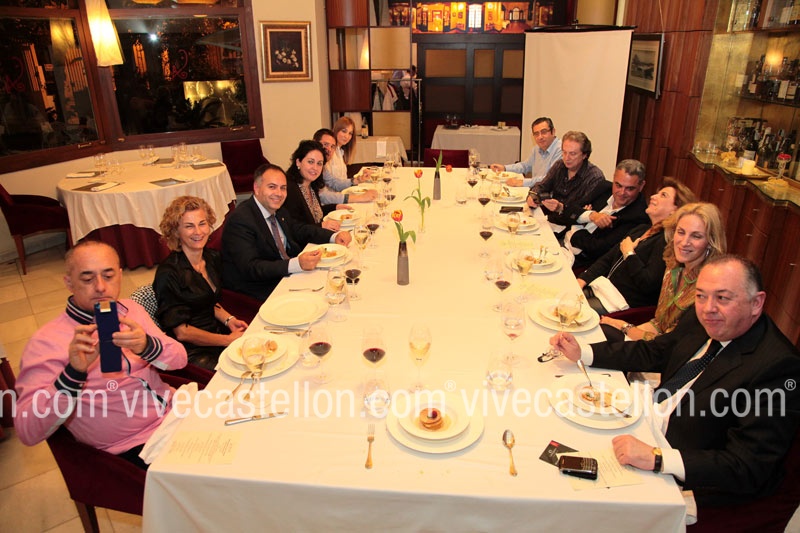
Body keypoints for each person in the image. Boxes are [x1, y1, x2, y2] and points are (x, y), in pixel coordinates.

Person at [551, 255, 800, 508]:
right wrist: (583, 352)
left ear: (756, 303)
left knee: (568, 500)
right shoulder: (702, 317)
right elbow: (656, 352)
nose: (708, 308)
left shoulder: (778, 367)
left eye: (723, 298)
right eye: (701, 295)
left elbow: (747, 466)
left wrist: (657, 458)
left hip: (679, 474)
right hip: (643, 424)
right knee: (555, 433)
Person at [13, 241, 188, 469]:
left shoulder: (131, 310)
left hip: (174, 412)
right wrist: (73, 374)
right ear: (69, 283)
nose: (101, 287)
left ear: (120, 276)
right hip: (132, 445)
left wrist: (148, 346)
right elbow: (27, 432)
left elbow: (180, 360)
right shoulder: (46, 342)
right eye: (87, 279)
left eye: (108, 276)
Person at [222, 163, 352, 301]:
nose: (279, 193)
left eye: (283, 188)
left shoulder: (279, 210)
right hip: (261, 287)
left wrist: (333, 236)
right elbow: (252, 268)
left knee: (338, 280)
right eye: (272, 187)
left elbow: (299, 229)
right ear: (257, 188)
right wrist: (296, 264)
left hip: (287, 274)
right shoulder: (241, 220)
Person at [600, 202, 727, 342]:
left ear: (711, 241)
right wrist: (620, 329)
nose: (684, 242)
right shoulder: (672, 267)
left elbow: (669, 345)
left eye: (696, 236)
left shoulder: (708, 290)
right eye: (681, 232)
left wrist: (624, 327)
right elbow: (658, 324)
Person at [153, 196, 248, 370]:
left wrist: (229, 319)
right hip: (193, 351)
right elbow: (182, 332)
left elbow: (206, 300)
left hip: (215, 332)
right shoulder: (168, 273)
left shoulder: (211, 257)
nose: (198, 232)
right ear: (176, 231)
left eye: (202, 223)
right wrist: (226, 340)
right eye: (189, 226)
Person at [577, 178, 696, 313]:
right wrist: (583, 279)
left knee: (569, 309)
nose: (653, 196)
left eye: (663, 195)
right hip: (602, 288)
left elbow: (648, 284)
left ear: (675, 211)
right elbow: (607, 259)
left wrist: (629, 254)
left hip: (619, 305)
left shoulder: (666, 243)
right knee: (563, 295)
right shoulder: (641, 229)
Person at [565, 159, 650, 269]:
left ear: (641, 186)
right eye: (618, 185)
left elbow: (598, 249)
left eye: (630, 188)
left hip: (582, 264)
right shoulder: (604, 188)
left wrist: (577, 227)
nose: (622, 193)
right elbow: (569, 210)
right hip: (563, 245)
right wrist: (591, 216)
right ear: (614, 178)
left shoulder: (639, 216)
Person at [526, 130, 606, 232]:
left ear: (584, 155)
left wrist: (561, 207)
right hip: (552, 221)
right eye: (564, 152)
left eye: (572, 154)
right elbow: (542, 186)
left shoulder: (594, 177)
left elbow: (582, 212)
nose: (566, 158)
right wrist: (532, 196)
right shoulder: (560, 165)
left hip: (573, 228)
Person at [283, 139, 346, 231]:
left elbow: (314, 214)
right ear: (298, 162)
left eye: (319, 163)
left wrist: (336, 207)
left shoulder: (312, 185)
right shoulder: (290, 189)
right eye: (310, 162)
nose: (315, 168)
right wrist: (321, 226)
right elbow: (295, 229)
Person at [489, 117, 562, 187]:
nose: (540, 137)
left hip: (550, 193)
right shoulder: (536, 149)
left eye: (544, 132)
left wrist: (522, 182)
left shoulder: (561, 150)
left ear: (553, 132)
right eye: (536, 134)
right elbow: (525, 166)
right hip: (537, 189)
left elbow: (549, 179)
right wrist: (504, 168)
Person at [310, 131, 377, 205]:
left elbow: (334, 182)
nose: (329, 149)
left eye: (332, 146)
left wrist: (358, 179)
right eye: (325, 144)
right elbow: (323, 196)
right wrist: (360, 198)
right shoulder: (311, 166)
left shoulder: (322, 166)